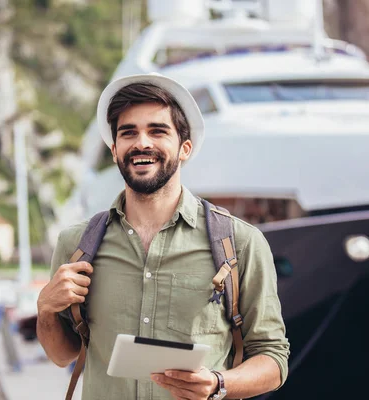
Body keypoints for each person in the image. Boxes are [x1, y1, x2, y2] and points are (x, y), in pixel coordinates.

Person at [36, 73, 290, 400]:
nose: (142, 142)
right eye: (129, 133)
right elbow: (62, 355)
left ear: (184, 148)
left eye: (157, 131)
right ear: (115, 150)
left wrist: (217, 384)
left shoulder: (240, 242)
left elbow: (272, 359)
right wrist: (45, 310)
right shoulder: (77, 245)